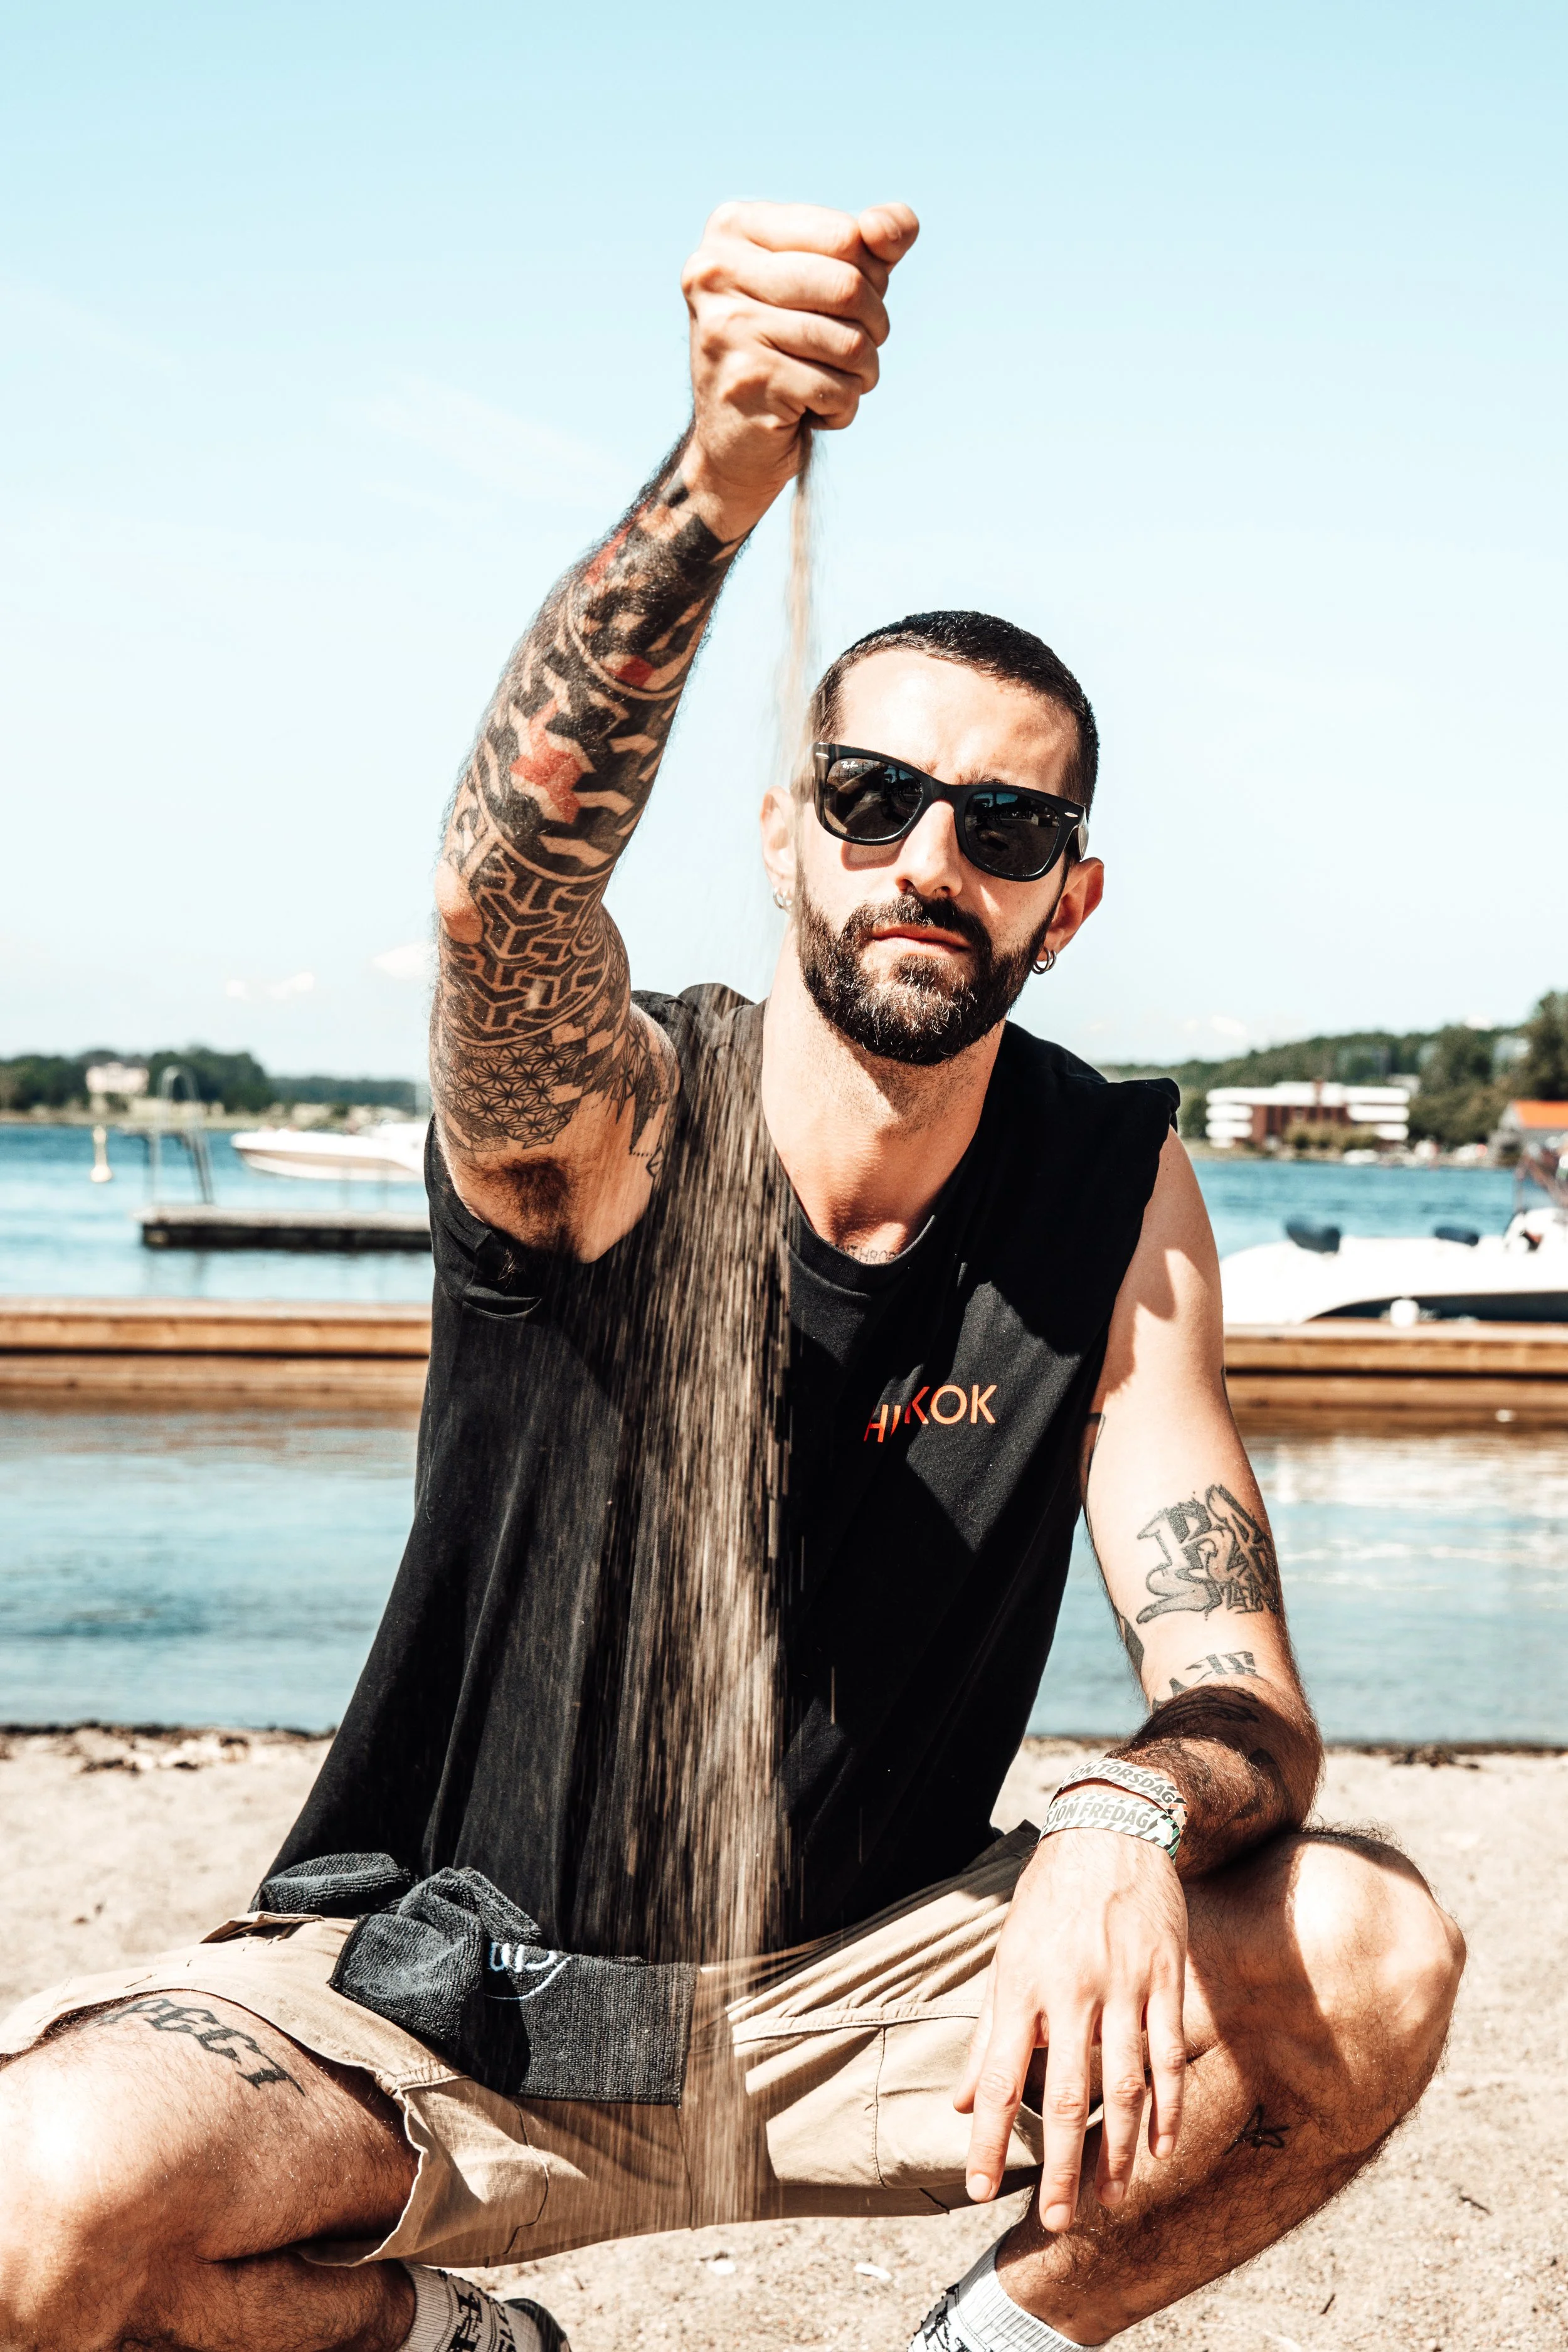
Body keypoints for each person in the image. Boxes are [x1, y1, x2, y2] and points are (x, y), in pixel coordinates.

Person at [0, 201, 1463, 2352]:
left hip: (866, 1993)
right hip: (460, 1992)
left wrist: (1119, 1812)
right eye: (872, 798)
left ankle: (990, 2341)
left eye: (1002, 829)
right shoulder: (610, 1122)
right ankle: (447, 2342)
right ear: (786, 831)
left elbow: (1234, 1675)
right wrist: (716, 483)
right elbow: (505, 902)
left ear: (1067, 897)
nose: (927, 864)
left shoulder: (1113, 1188)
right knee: (40, 2211)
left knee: (1370, 1950)